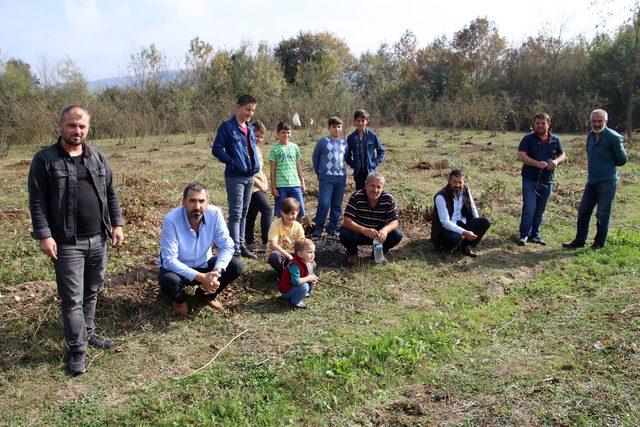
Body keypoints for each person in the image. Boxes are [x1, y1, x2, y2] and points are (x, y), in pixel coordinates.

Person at [28, 105, 124, 375]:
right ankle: (76, 350)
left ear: (88, 128)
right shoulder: (45, 159)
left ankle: (88, 334)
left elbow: (111, 193)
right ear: (61, 126)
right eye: (72, 125)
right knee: (72, 298)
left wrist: (117, 224)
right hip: (67, 242)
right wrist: (44, 235)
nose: (77, 131)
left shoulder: (97, 157)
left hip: (98, 238)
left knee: (92, 291)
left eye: (82, 126)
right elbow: (37, 202)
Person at [158, 183, 243, 316]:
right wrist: (202, 278)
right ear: (184, 202)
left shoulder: (215, 214)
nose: (197, 207)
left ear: (207, 202)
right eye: (192, 201)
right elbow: (169, 260)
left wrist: (216, 272)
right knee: (169, 280)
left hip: (204, 264)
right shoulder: (171, 219)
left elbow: (227, 245)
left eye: (201, 201)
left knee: (236, 265)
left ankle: (205, 295)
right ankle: (179, 300)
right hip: (180, 269)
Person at [563, 109, 628, 250]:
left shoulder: (613, 137)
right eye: (594, 121)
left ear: (606, 121)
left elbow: (622, 160)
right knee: (583, 211)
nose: (597, 124)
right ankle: (580, 241)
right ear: (591, 121)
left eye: (600, 121)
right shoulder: (590, 136)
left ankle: (599, 243)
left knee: (603, 214)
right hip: (592, 181)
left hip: (607, 181)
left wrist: (607, 164)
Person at [212, 94, 260, 259]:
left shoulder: (250, 128)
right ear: (238, 107)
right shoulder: (227, 127)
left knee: (244, 212)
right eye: (247, 109)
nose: (250, 113)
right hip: (235, 177)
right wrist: (232, 162)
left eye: (252, 110)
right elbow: (216, 149)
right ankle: (234, 250)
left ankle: (241, 246)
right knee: (235, 212)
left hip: (250, 176)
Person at [517, 113, 567, 246]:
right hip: (530, 179)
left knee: (540, 209)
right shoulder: (528, 139)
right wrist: (536, 163)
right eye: (537, 123)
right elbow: (521, 155)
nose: (540, 125)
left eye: (543, 123)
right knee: (530, 207)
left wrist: (556, 162)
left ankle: (535, 235)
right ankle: (524, 235)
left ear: (548, 124)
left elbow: (562, 155)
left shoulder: (555, 140)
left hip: (547, 180)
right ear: (534, 124)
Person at [339, 172, 403, 265]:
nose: (375, 190)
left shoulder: (388, 199)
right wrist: (363, 230)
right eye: (372, 186)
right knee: (344, 233)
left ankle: (377, 254)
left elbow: (395, 221)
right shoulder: (356, 197)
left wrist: (385, 230)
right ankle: (352, 253)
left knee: (397, 234)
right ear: (366, 185)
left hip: (378, 236)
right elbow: (346, 221)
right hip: (359, 233)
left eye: (378, 187)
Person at [431, 170, 491, 258]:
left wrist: (477, 224)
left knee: (485, 222)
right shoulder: (441, 196)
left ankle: (464, 246)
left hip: (462, 221)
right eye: (454, 182)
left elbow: (472, 206)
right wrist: (465, 232)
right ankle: (449, 246)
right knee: (455, 238)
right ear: (449, 181)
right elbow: (445, 222)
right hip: (446, 228)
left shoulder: (465, 189)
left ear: (463, 182)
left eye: (460, 182)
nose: (457, 185)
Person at [312, 116, 348, 237]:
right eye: (334, 127)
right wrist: (319, 173)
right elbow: (315, 158)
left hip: (340, 178)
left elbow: (345, 158)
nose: (336, 129)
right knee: (324, 203)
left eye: (338, 127)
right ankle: (318, 228)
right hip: (326, 178)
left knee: (337, 205)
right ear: (329, 128)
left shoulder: (344, 143)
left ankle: (333, 228)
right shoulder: (323, 142)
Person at [244, 120, 272, 252]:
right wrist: (260, 184)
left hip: (260, 185)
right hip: (252, 186)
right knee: (267, 210)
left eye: (261, 137)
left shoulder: (257, 149)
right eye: (256, 136)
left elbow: (260, 170)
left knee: (251, 213)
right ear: (250, 133)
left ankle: (249, 241)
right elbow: (248, 171)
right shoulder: (246, 149)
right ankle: (266, 242)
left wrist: (265, 182)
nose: (259, 139)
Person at [269, 122, 306, 219]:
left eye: (288, 132)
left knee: (299, 211)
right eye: (283, 132)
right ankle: (282, 232)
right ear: (277, 134)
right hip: (281, 186)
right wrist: (273, 187)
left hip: (295, 184)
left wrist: (302, 182)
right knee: (282, 213)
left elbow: (298, 166)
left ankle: (295, 232)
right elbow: (272, 169)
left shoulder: (294, 147)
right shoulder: (275, 149)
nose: (286, 135)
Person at [345, 109, 385, 190]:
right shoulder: (351, 137)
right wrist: (353, 164)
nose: (360, 123)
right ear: (355, 121)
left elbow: (381, 151)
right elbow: (347, 155)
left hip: (370, 171)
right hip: (358, 172)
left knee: (370, 193)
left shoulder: (372, 135)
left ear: (367, 121)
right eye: (358, 121)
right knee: (359, 194)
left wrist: (374, 163)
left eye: (363, 121)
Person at [266, 197, 306, 277]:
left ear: (297, 212)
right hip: (280, 255)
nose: (290, 216)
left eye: (293, 213)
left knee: (307, 255)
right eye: (287, 213)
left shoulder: (298, 226)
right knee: (274, 256)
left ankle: (296, 274)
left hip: (292, 255)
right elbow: (273, 245)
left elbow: (302, 245)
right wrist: (289, 256)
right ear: (281, 212)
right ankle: (283, 274)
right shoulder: (275, 224)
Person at [278, 238, 318, 309]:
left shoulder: (309, 262)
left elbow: (310, 273)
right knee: (304, 286)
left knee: (313, 276)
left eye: (313, 252)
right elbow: (295, 282)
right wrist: (308, 278)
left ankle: (305, 293)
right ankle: (295, 301)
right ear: (299, 253)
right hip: (287, 290)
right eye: (309, 252)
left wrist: (312, 278)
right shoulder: (295, 265)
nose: (313, 255)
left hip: (296, 287)